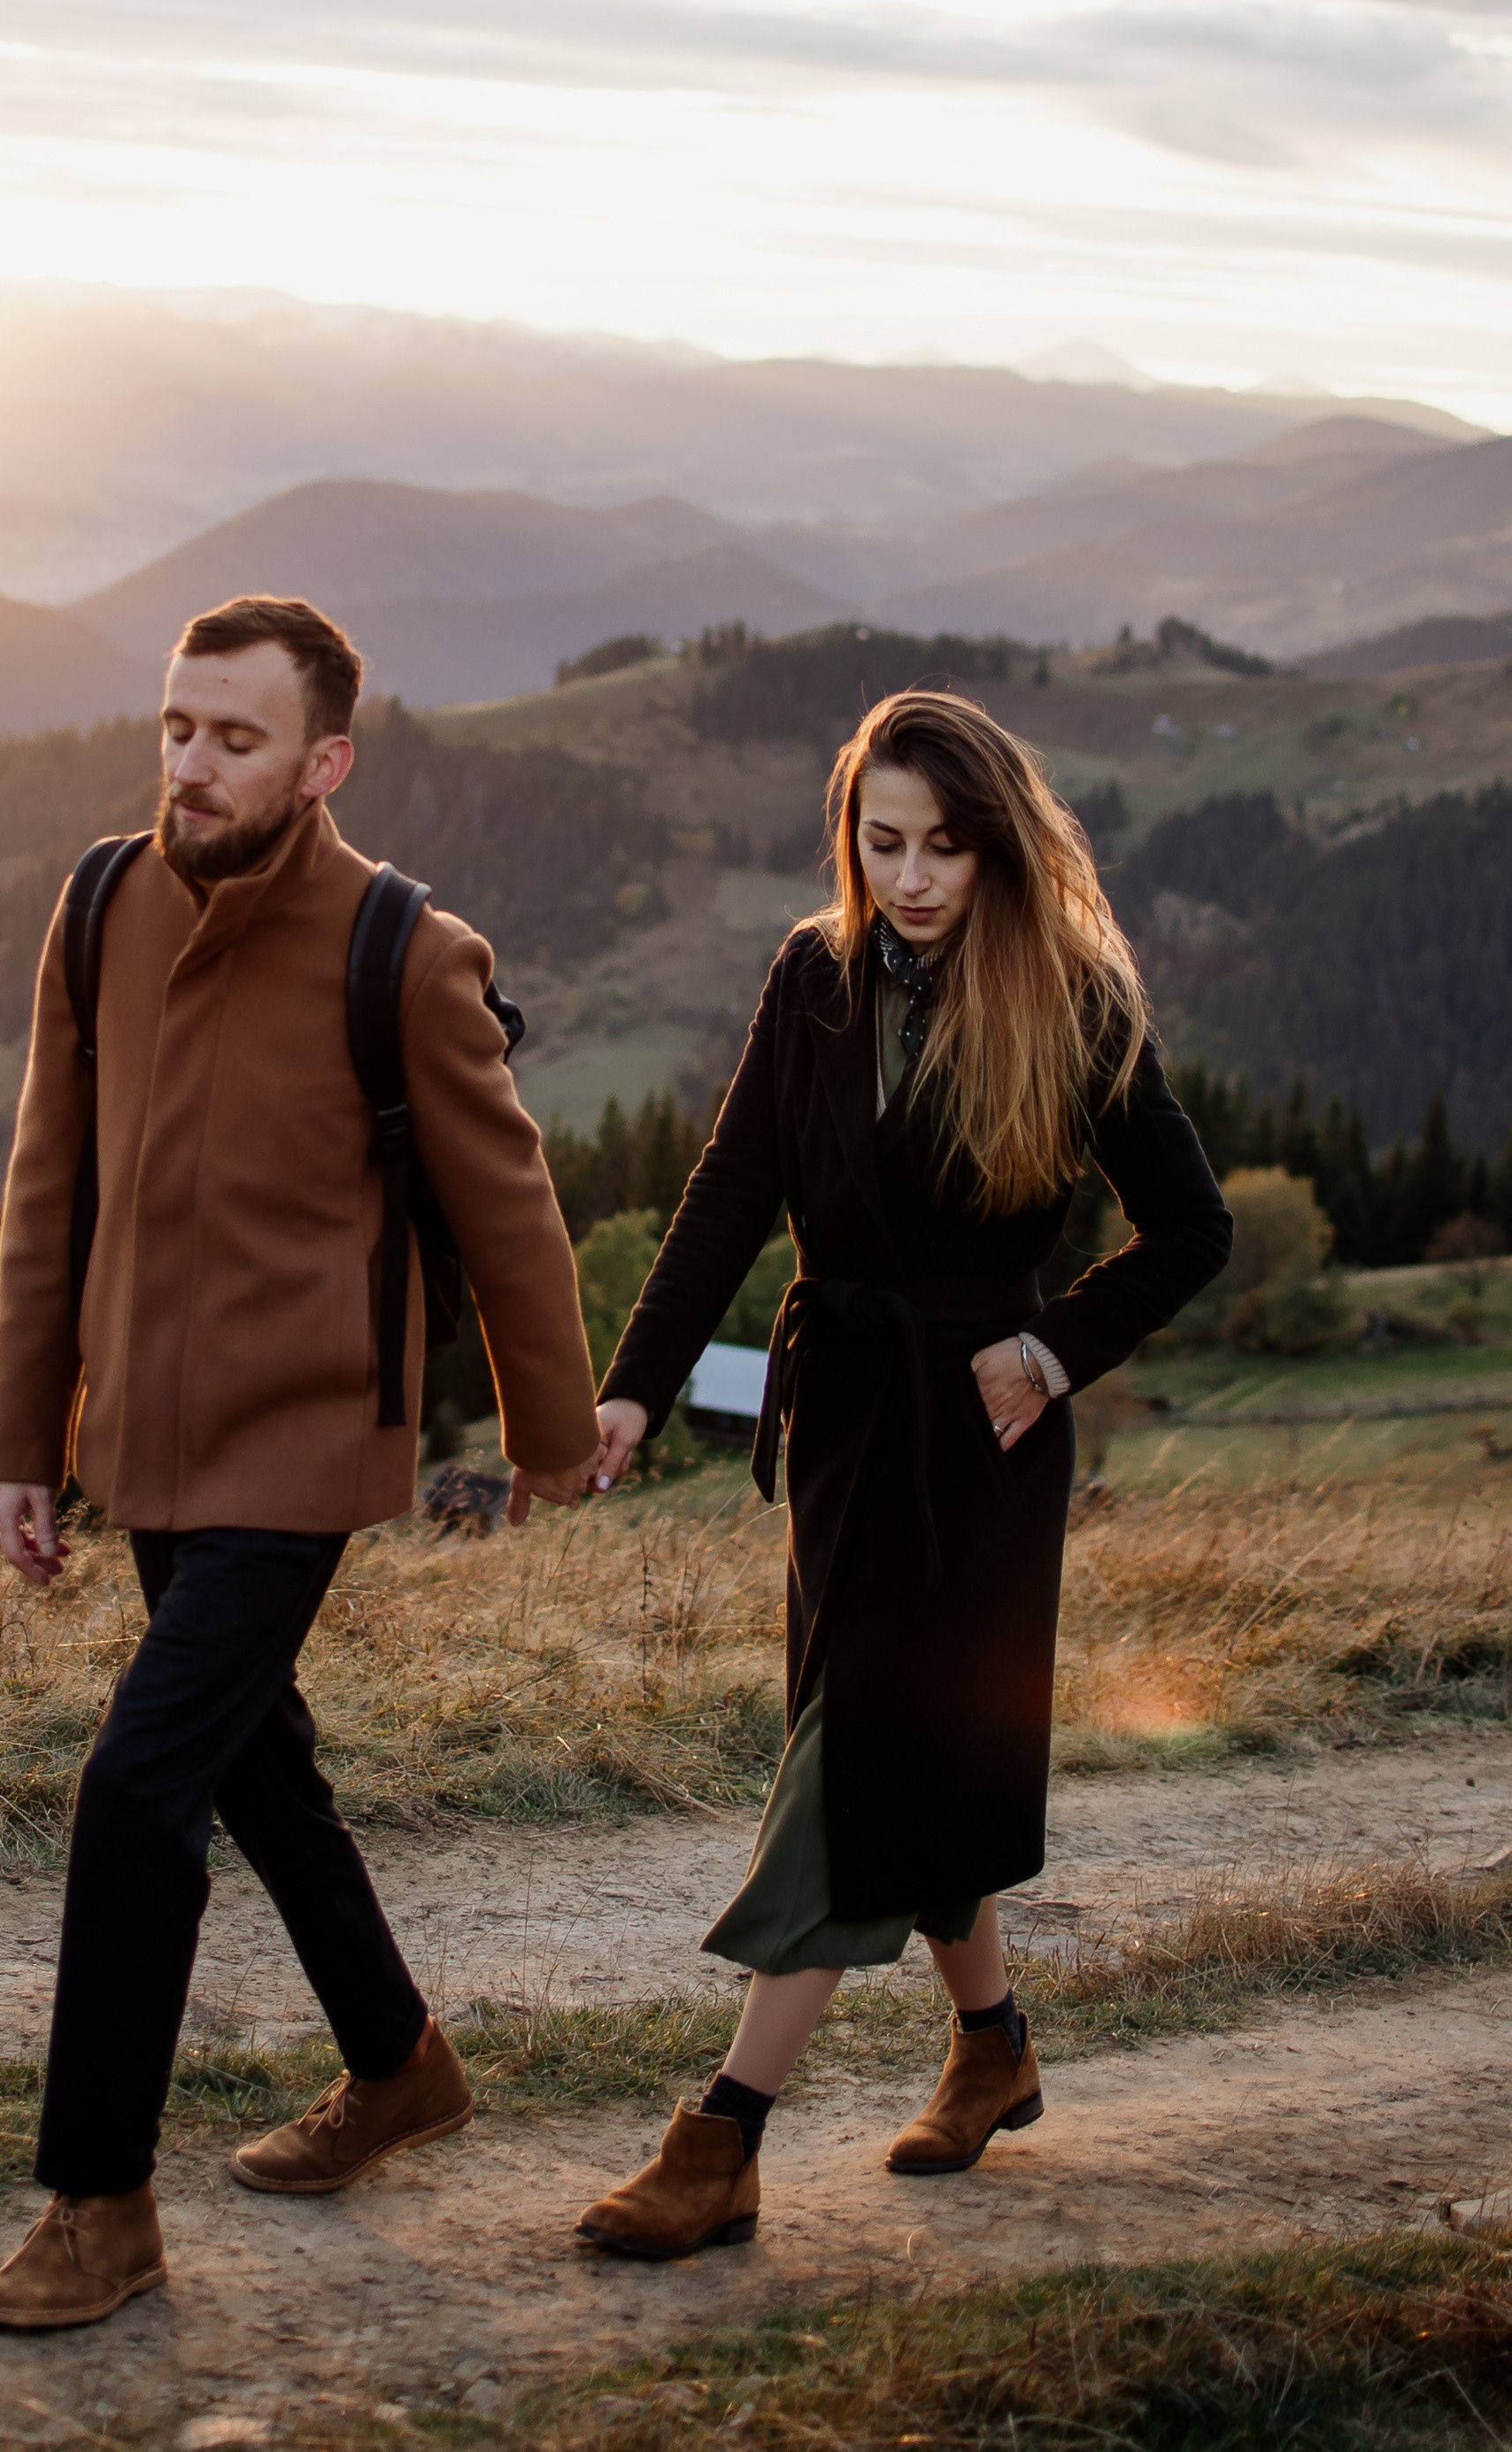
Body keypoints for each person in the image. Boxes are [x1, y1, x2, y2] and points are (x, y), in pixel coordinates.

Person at [0, 593, 600, 2330]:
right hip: (146, 1441)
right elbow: (48, 1186)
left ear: (321, 761)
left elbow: (509, 1208)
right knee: (257, 1770)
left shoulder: (403, 946)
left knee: (138, 1787)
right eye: (176, 725)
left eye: (235, 737)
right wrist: (21, 1436)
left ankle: (99, 2207)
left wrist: (551, 1439)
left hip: (309, 1444)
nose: (192, 762)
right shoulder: (98, 905)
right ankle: (399, 2064)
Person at [572, 688, 1230, 2260]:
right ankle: (992, 2046)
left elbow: (1191, 1228)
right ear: (848, 838)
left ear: (998, 844)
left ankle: (721, 2137)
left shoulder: (1071, 1000)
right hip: (845, 1429)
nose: (915, 875)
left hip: (979, 1447)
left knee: (851, 1769)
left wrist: (1053, 1348)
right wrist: (634, 1391)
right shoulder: (809, 975)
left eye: (946, 844)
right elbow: (732, 1190)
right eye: (885, 843)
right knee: (890, 1752)